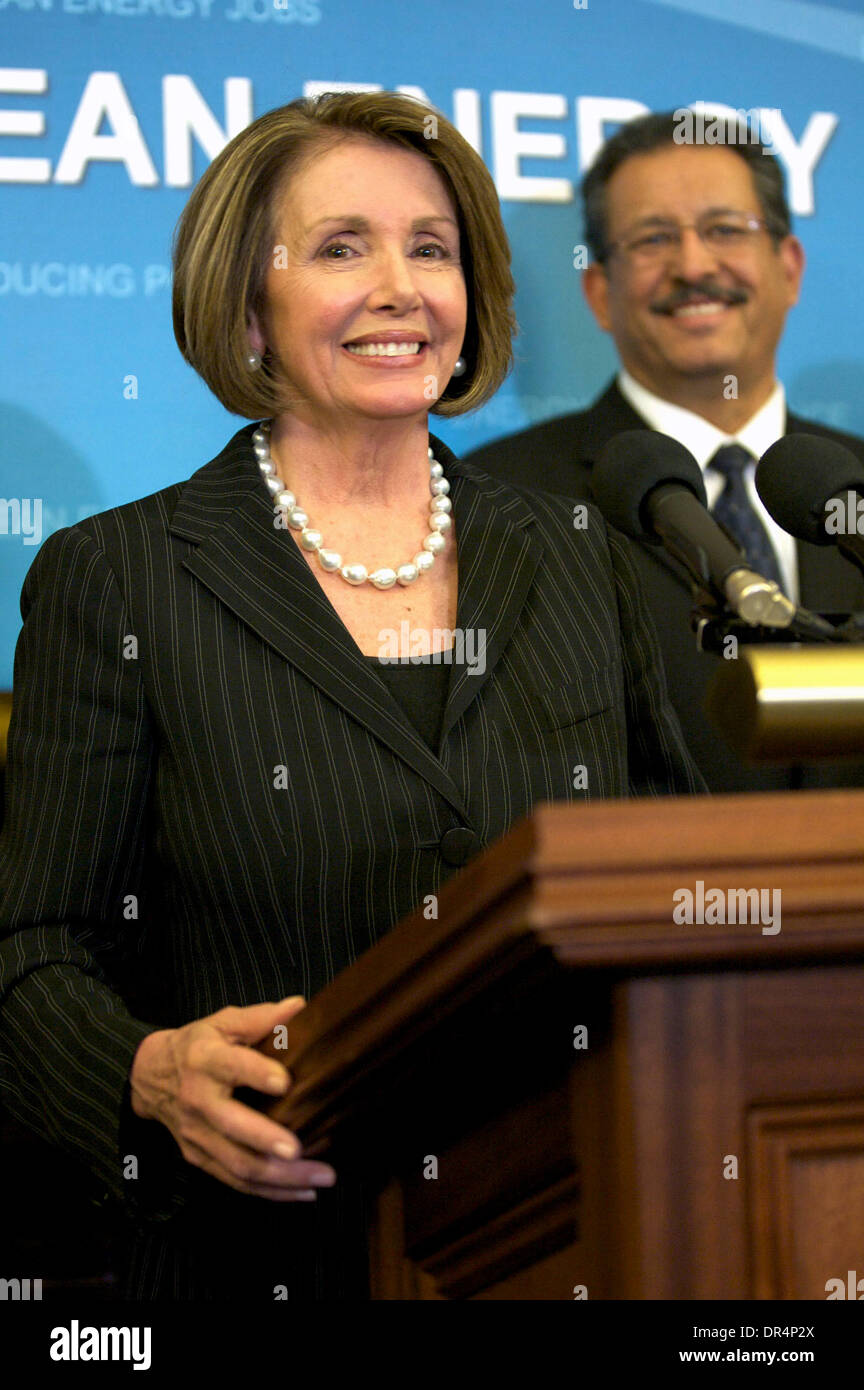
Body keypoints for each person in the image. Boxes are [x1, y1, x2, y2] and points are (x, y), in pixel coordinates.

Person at [0, 92, 702, 1303]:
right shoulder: (121, 576)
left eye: (432, 248)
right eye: (341, 248)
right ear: (247, 306)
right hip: (260, 1255)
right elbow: (30, 954)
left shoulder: (585, 551)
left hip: (581, 1226)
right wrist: (147, 1071)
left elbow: (677, 870)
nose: (401, 287)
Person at [465, 111, 864, 793]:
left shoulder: (853, 485)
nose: (694, 265)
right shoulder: (501, 500)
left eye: (725, 230)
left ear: (790, 268)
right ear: (598, 292)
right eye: (653, 239)